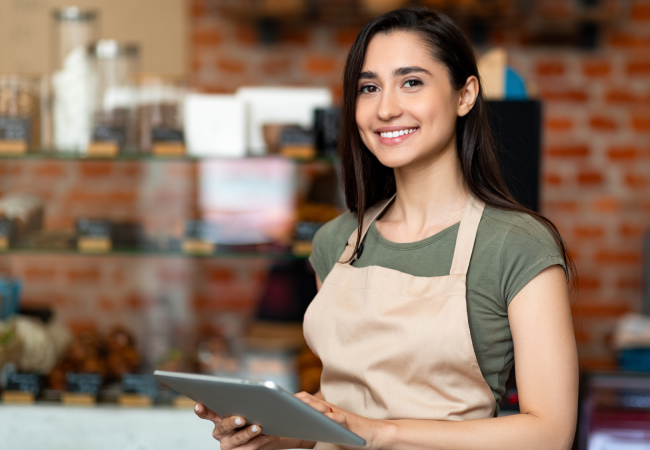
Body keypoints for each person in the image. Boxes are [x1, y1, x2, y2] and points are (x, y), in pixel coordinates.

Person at [195, 7, 578, 450]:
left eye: (411, 82)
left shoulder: (517, 245)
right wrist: (274, 434)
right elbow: (347, 406)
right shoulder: (336, 241)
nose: (386, 108)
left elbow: (550, 432)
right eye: (369, 87)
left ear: (465, 95)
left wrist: (381, 432)